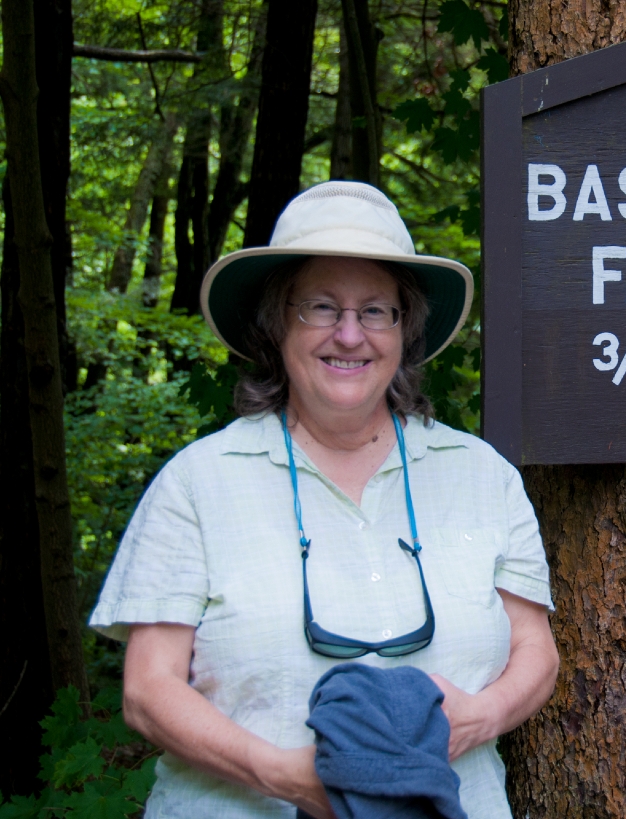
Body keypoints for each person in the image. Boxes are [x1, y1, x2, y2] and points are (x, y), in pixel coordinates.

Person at [89, 181, 560, 819]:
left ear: (404, 330)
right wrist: (288, 777)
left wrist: (480, 717)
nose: (348, 334)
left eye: (375, 310)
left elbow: (537, 651)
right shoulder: (198, 482)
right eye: (319, 307)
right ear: (277, 322)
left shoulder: (483, 475)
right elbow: (148, 691)